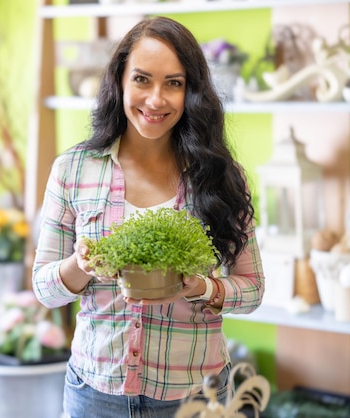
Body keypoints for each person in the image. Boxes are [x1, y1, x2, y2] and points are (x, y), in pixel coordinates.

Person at [32, 16, 264, 418]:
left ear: (191, 92)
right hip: (95, 393)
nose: (156, 99)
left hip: (196, 397)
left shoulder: (221, 176)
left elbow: (253, 289)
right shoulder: (73, 169)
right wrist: (81, 264)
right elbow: (44, 288)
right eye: (142, 79)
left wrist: (202, 288)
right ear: (120, 81)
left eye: (173, 83)